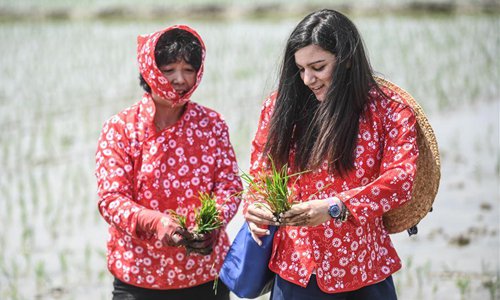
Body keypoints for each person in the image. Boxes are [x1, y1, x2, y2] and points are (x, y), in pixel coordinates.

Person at [244, 9, 419, 300]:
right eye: (300, 69)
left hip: (364, 268)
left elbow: (401, 180)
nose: (308, 79)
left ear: (347, 59)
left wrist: (335, 207)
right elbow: (261, 173)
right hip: (298, 269)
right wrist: (256, 207)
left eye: (318, 67)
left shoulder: (389, 109)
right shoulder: (280, 106)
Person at [95, 25, 242, 300]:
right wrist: (157, 224)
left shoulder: (211, 124)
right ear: (149, 69)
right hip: (139, 278)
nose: (180, 79)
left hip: (204, 274)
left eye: (188, 70)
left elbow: (229, 185)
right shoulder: (121, 128)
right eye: (169, 70)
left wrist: (213, 223)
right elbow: (111, 199)